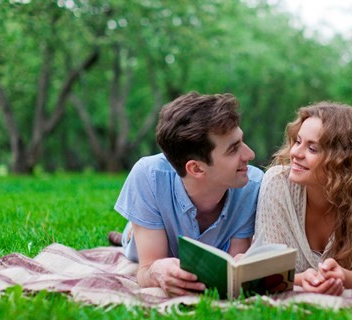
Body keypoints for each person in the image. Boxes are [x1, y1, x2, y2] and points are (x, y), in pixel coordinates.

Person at [112, 92, 263, 296]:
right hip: (150, 230)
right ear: (197, 169)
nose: (250, 155)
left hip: (206, 244)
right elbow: (146, 270)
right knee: (134, 243)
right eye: (233, 149)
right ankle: (129, 232)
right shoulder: (149, 176)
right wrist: (155, 271)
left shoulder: (252, 184)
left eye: (241, 141)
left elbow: (235, 270)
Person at [254, 101, 352, 296]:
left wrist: (342, 276)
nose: (295, 153)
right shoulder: (277, 183)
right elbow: (268, 267)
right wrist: (300, 279)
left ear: (344, 162)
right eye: (298, 141)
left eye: (312, 149)